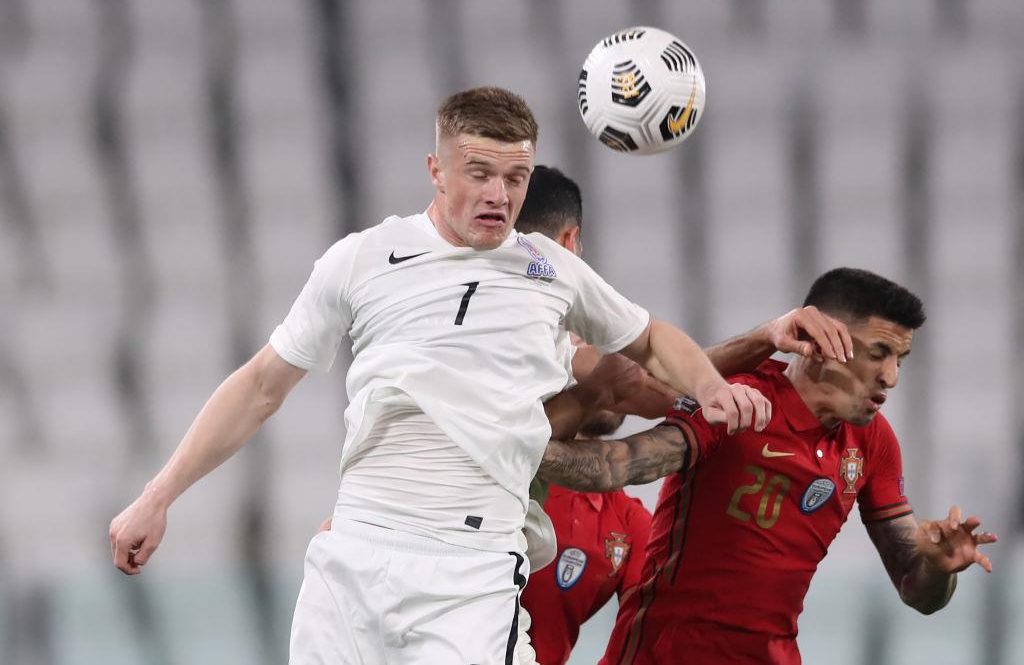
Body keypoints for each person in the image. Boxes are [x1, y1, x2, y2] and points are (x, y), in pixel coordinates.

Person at [108, 86, 774, 664]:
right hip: (355, 552)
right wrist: (158, 495)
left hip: (471, 569)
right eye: (479, 172)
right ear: (436, 170)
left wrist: (709, 387)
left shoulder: (550, 270)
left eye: (516, 177)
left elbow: (649, 340)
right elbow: (261, 385)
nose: (499, 195)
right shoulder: (362, 259)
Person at [541, 267, 999, 665]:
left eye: (900, 359)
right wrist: (517, 446)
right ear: (822, 340)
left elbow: (916, 588)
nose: (891, 377)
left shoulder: (873, 442)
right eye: (879, 353)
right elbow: (619, 465)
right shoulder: (739, 400)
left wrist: (939, 567)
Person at [514, 166, 856, 665]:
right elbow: (642, 378)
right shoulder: (546, 336)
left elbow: (642, 383)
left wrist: (758, 344)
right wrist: (760, 341)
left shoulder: (458, 317)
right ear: (571, 243)